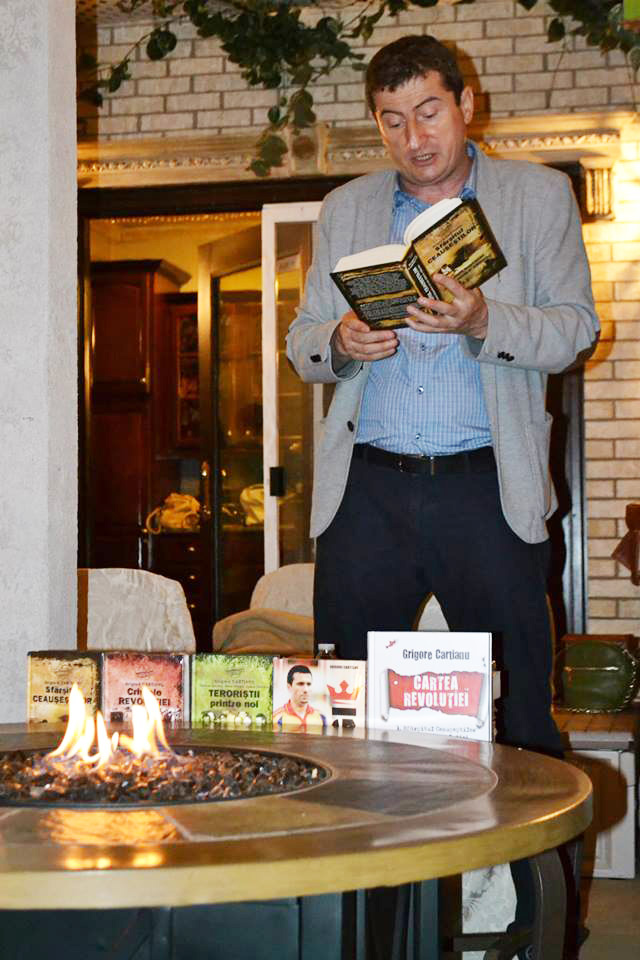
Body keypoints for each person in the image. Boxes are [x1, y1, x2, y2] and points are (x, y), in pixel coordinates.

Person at [286, 34, 597, 958]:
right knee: (346, 725)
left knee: (526, 726)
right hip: (368, 495)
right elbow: (301, 341)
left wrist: (483, 316)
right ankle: (364, 935)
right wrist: (339, 342)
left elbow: (574, 330)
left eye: (428, 112)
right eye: (392, 121)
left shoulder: (536, 197)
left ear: (466, 104)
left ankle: (548, 934)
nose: (413, 137)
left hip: (486, 492)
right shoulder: (345, 209)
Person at [273, 663, 327, 730]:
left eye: (308, 684)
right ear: (289, 687)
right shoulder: (277, 718)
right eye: (300, 684)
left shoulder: (321, 717)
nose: (306, 689)